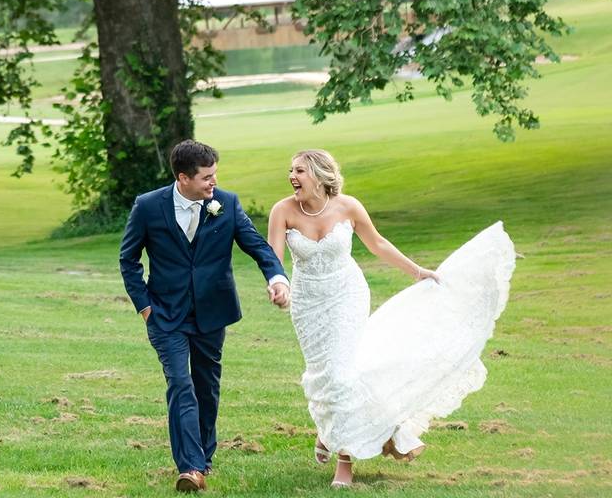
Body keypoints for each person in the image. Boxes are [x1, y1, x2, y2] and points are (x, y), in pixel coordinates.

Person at [267, 149, 515, 488]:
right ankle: (328, 432)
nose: (292, 176)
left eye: (299, 170)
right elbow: (274, 260)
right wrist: (278, 286)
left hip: (347, 296)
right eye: (290, 171)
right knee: (324, 375)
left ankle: (344, 460)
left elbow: (377, 243)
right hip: (309, 303)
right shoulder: (282, 211)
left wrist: (416, 271)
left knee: (342, 375)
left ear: (320, 174)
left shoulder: (348, 206)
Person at [119, 139, 290, 492]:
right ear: (183, 177)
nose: (214, 183)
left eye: (215, 175)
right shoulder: (148, 206)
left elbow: (257, 245)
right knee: (180, 384)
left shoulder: (225, 203)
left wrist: (276, 277)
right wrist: (145, 306)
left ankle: (204, 459)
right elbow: (129, 260)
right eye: (206, 177)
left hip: (213, 312)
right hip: (165, 314)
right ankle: (190, 468)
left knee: (206, 388)